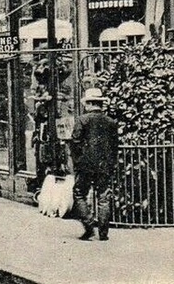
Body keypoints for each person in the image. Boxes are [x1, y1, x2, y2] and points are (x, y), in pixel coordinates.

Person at [69, 88, 119, 241]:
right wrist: (111, 163)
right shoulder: (110, 122)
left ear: (90, 103)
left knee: (79, 194)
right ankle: (103, 233)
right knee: (103, 196)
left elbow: (75, 142)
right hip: (104, 165)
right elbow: (114, 146)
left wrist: (77, 161)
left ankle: (89, 225)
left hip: (85, 165)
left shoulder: (82, 120)